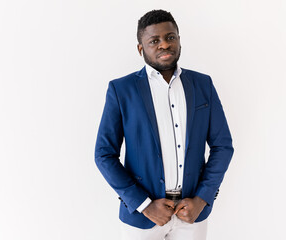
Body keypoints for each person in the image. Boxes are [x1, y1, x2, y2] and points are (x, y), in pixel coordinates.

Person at [94, 9, 234, 240]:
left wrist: (202, 198)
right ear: (141, 49)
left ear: (179, 40)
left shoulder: (203, 84)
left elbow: (223, 146)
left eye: (170, 37)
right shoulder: (122, 90)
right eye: (154, 40)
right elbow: (104, 154)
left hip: (192, 213)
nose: (164, 45)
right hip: (142, 217)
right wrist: (143, 204)